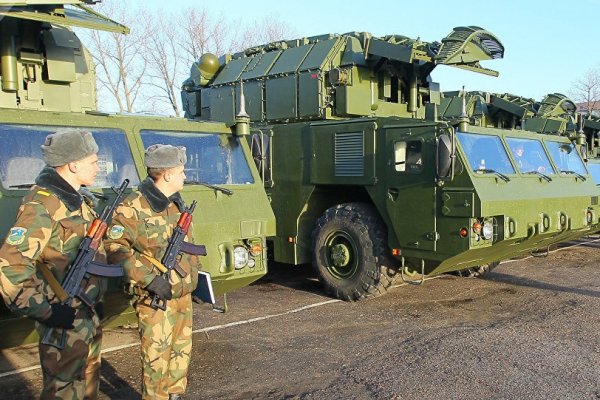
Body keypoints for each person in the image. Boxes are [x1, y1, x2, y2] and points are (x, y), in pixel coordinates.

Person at [0, 129, 106, 399]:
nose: (98, 166)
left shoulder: (77, 200)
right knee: (63, 391)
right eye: (93, 161)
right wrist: (46, 311)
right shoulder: (42, 204)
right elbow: (10, 267)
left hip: (85, 313)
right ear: (73, 164)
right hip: (63, 317)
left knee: (87, 386)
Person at [104, 144, 200, 400]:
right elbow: (114, 248)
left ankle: (176, 396)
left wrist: (193, 278)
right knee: (156, 360)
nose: (184, 176)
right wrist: (149, 279)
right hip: (154, 296)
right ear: (167, 174)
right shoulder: (133, 205)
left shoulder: (176, 204)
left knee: (181, 355)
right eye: (181, 171)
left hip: (181, 295)